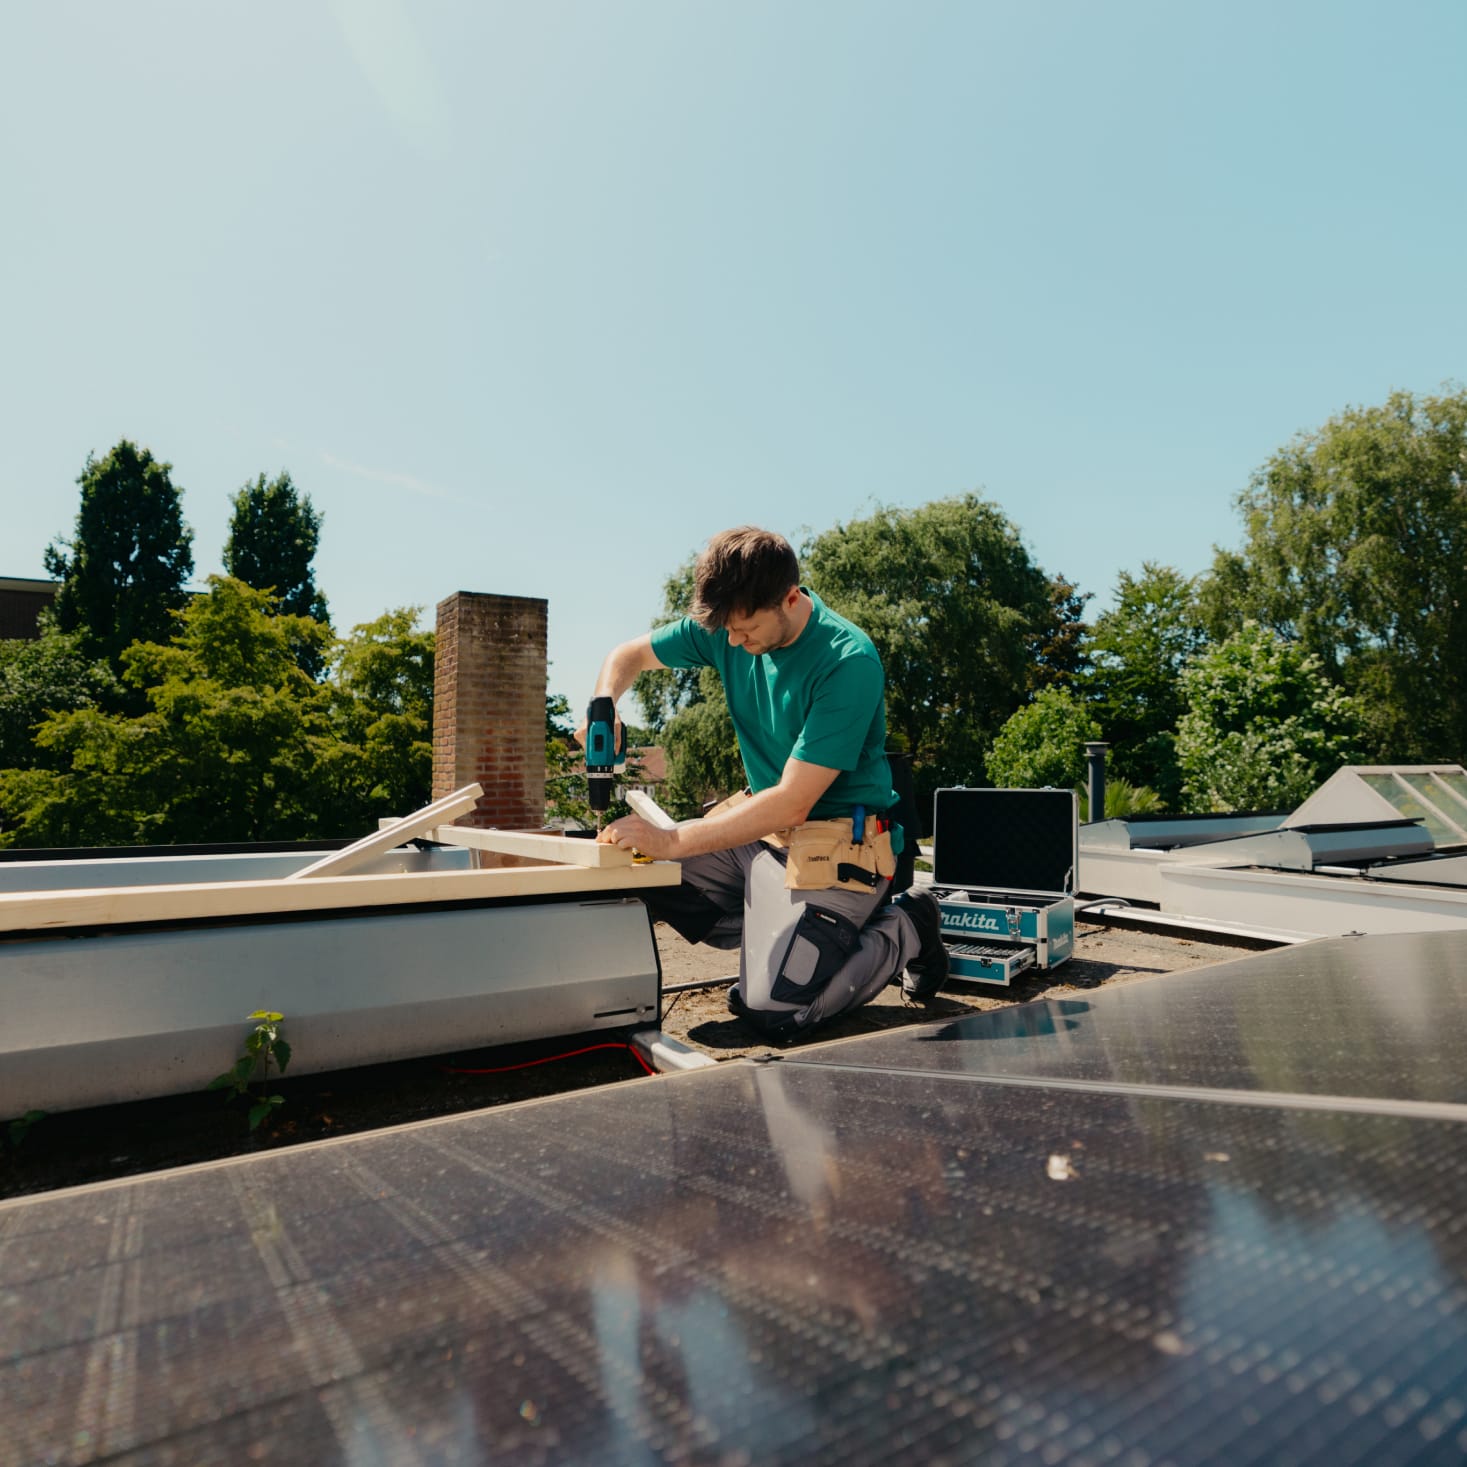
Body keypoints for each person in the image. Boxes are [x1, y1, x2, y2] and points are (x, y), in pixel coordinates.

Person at [588, 526, 948, 1039]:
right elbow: (627, 656)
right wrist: (604, 705)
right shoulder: (729, 622)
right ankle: (801, 939)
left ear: (790, 598)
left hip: (837, 843)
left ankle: (908, 924)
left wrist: (671, 840)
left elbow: (793, 803)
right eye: (727, 631)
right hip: (763, 836)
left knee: (777, 1012)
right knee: (642, 873)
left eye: (746, 629)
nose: (734, 642)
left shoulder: (847, 661)